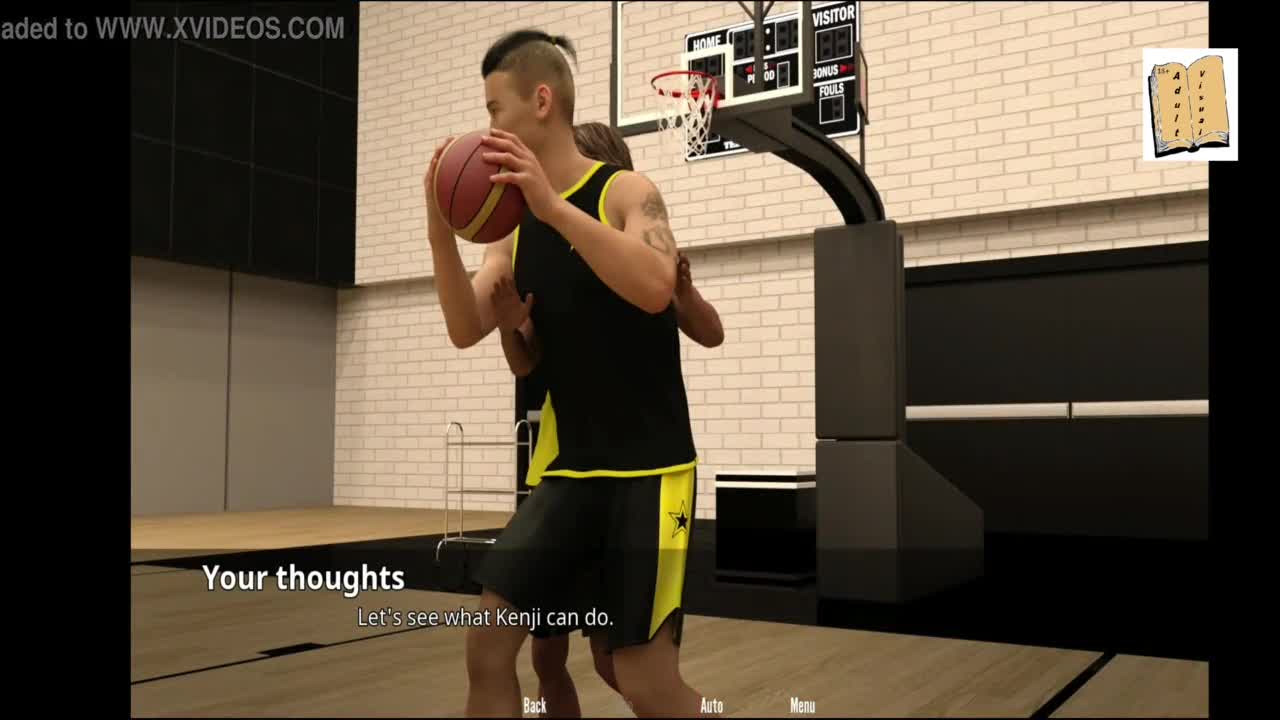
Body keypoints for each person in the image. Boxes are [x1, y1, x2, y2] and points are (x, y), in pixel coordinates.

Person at [424, 29, 709, 718]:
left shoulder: (628, 191)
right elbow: (464, 326)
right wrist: (438, 226)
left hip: (650, 474)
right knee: (489, 647)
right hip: (570, 473)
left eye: (495, 109)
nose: (488, 126)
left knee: (641, 680)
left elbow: (654, 286)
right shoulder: (514, 230)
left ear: (541, 101)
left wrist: (554, 207)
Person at [488, 121, 723, 717]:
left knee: (622, 669)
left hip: (645, 475)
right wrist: (511, 325)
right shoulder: (548, 257)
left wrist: (686, 293)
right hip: (568, 475)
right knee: (542, 655)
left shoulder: (639, 255)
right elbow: (527, 362)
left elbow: (710, 331)